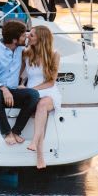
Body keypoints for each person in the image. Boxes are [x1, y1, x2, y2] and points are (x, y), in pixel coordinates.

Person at [0, 20, 40, 145]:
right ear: (14, 40)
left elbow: (41, 45)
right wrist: (3, 88)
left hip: (12, 92)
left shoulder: (21, 49)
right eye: (24, 36)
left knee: (33, 95)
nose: (26, 37)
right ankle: (7, 132)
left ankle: (16, 131)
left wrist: (21, 83)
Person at [23, 25, 62, 169]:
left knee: (43, 105)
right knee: (40, 106)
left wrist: (32, 90)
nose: (28, 36)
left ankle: (36, 147)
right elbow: (21, 75)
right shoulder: (26, 54)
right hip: (31, 92)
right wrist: (22, 85)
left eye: (32, 35)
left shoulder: (55, 55)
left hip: (48, 90)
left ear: (41, 39)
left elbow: (51, 81)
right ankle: (39, 155)